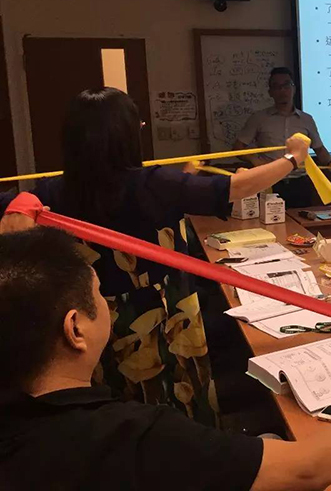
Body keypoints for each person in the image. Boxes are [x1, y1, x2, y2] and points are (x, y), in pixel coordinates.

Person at [0, 226, 331, 491]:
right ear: (76, 329)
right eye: (99, 296)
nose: (107, 307)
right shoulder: (127, 437)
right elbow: (308, 468)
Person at [0, 87, 309, 425]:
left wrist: (20, 202)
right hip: (161, 312)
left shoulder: (52, 190)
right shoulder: (153, 183)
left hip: (91, 318)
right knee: (172, 397)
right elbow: (238, 187)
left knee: (109, 404)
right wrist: (293, 158)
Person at [234, 67, 331, 208]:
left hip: (300, 183)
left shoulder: (306, 119)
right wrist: (255, 160)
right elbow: (238, 147)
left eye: (286, 85)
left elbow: (319, 149)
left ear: (294, 88)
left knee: (301, 219)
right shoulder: (258, 118)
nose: (282, 90)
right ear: (270, 92)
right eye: (276, 87)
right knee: (270, 220)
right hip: (269, 182)